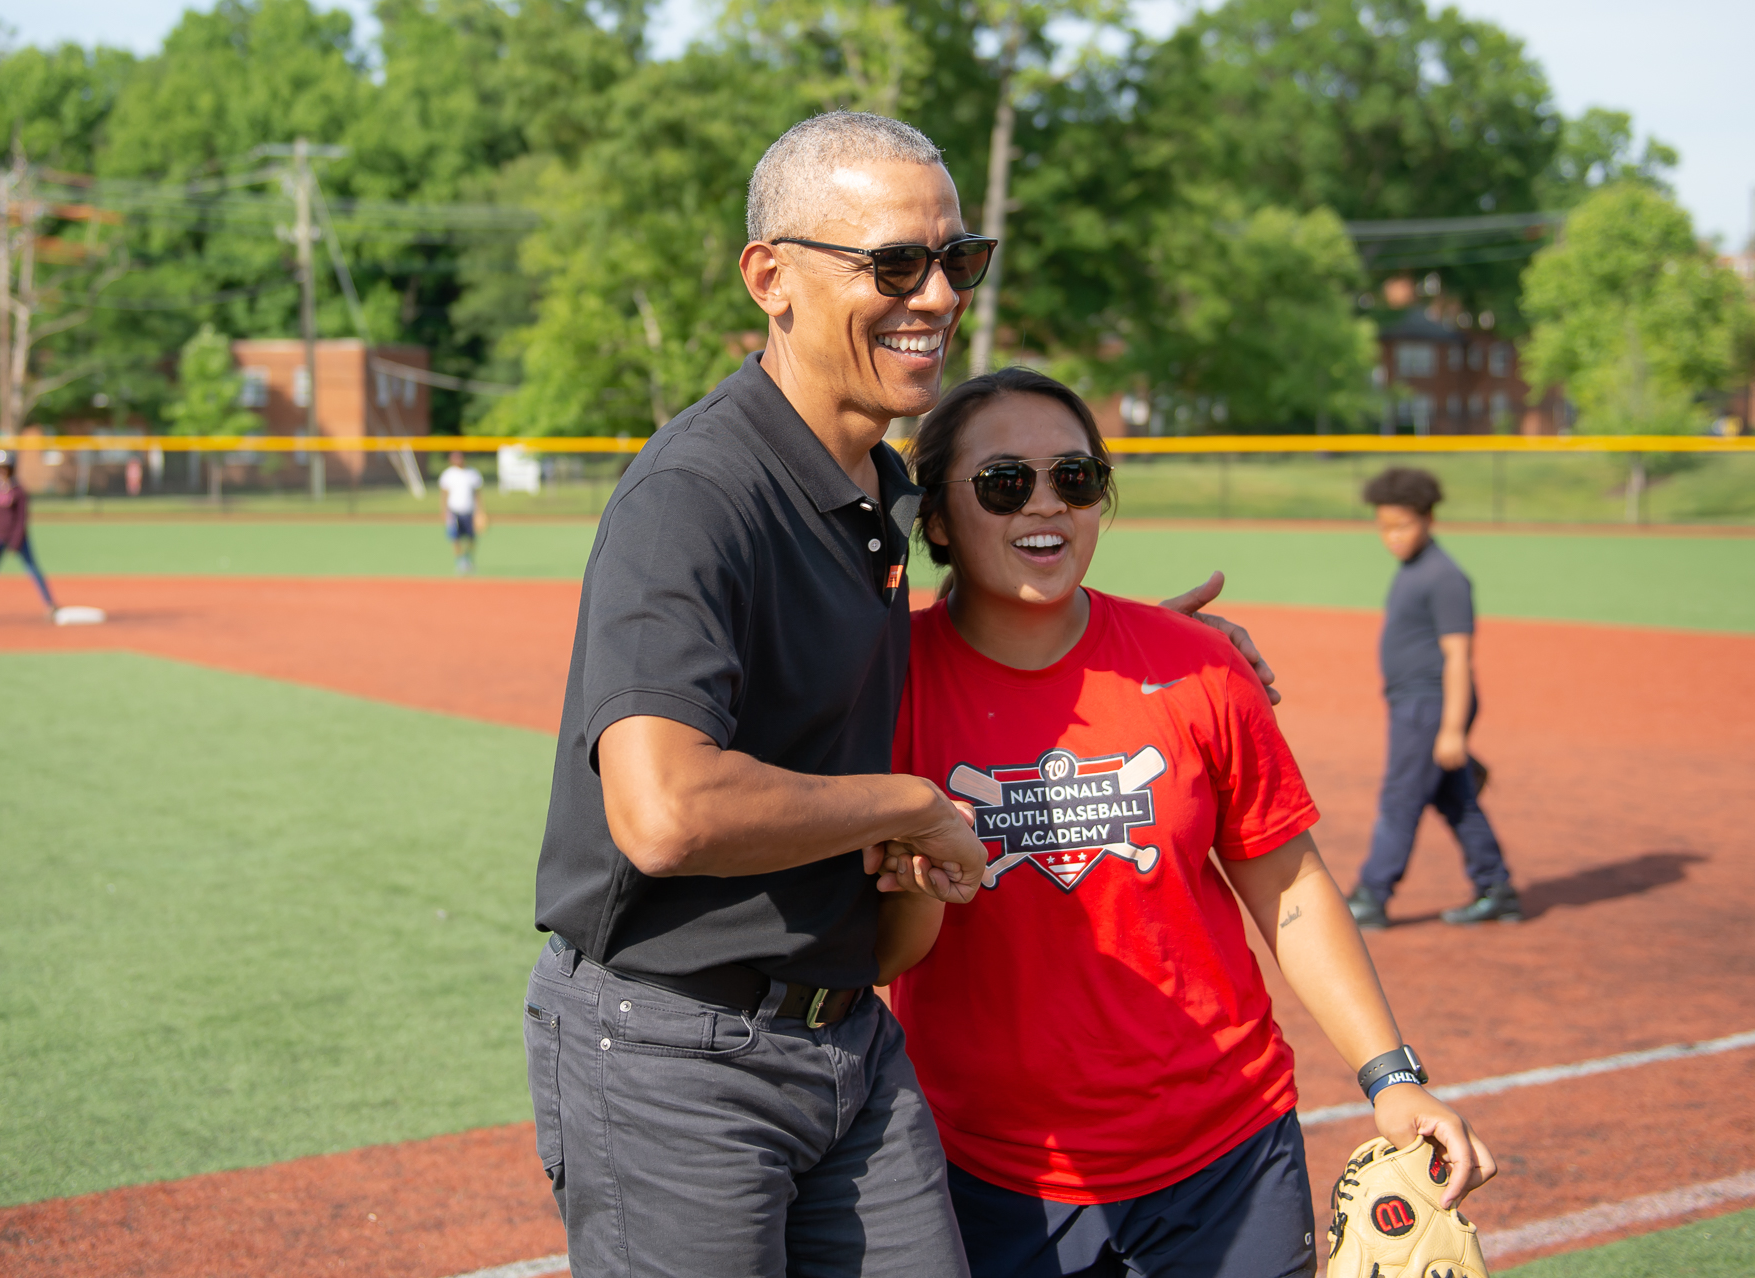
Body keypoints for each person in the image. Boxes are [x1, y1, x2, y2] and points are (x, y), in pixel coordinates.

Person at [524, 113, 1275, 1278]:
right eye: (893, 265)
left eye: (955, 261)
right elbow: (663, 811)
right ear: (771, 278)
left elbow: (967, 629)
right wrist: (909, 807)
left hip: (850, 1039)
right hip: (676, 1049)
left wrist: (1138, 654)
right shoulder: (698, 494)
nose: (936, 296)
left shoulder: (874, 480)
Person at [877, 371, 1495, 1278]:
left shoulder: (1196, 665)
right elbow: (881, 951)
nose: (1045, 504)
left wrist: (1391, 1076)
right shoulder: (888, 688)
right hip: (994, 1174)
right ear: (936, 518)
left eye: (1076, 479)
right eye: (1004, 482)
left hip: (1226, 1159)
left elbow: (1289, 885)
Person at [1345, 467, 1519, 929]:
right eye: (1384, 527)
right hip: (1420, 705)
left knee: (1401, 797)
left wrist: (1452, 730)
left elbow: (1459, 658)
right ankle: (1496, 887)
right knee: (1454, 798)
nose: (1392, 537)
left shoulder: (1445, 577)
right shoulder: (1415, 569)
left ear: (1428, 518)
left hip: (1430, 705)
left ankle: (1371, 895)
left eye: (1402, 525)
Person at [0, 451, 59, 619]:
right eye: (0, 468)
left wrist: (15, 540)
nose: (2, 471)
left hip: (18, 538)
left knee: (32, 569)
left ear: (11, 468)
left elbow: (22, 518)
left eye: (5, 468)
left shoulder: (18, 490)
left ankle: (49, 603)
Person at [438, 450, 484, 573]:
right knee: (455, 538)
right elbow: (444, 494)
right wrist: (444, 511)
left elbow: (477, 494)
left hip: (469, 510)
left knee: (471, 537)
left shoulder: (472, 473)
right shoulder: (448, 474)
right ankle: (459, 561)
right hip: (454, 511)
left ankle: (468, 558)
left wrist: (480, 511)